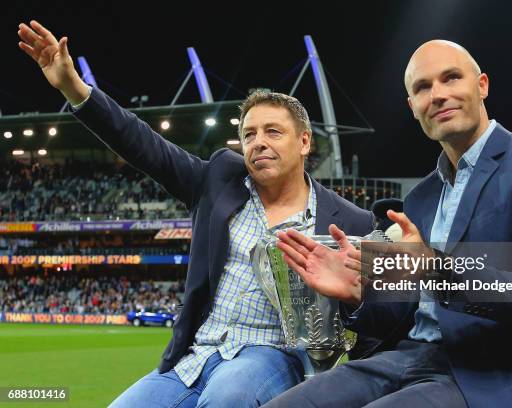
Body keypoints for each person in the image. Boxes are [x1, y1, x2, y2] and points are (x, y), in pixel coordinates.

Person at [17, 21, 374, 408]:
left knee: (226, 399)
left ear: (305, 141)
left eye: (273, 132)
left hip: (270, 354)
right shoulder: (218, 179)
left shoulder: (351, 220)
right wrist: (75, 89)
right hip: (195, 357)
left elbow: (375, 313)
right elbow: (142, 144)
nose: (258, 143)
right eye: (249, 133)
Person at [265, 40, 512, 407]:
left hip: (495, 370)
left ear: (481, 85)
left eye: (451, 78)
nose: (437, 95)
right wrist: (357, 294)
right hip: (409, 356)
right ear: (412, 106)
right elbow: (399, 312)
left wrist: (435, 270)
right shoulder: (419, 197)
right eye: (422, 87)